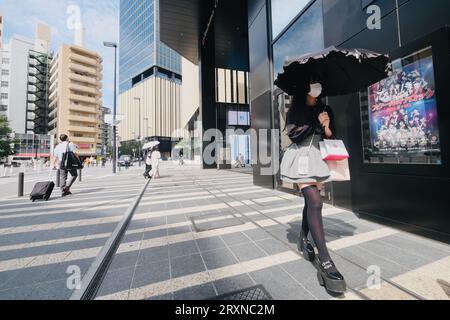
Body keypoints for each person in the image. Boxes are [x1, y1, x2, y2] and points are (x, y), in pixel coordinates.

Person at [281, 74, 346, 294]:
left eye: (319, 81)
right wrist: (314, 121)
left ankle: (302, 238)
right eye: (312, 82)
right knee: (316, 202)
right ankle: (325, 260)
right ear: (305, 87)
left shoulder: (325, 108)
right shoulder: (295, 108)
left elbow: (331, 136)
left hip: (318, 158)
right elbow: (293, 135)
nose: (317, 86)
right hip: (300, 157)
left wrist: (326, 126)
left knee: (311, 203)